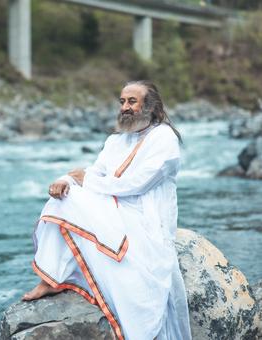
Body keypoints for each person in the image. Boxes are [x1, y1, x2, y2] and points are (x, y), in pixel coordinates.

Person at [22, 80, 192, 340]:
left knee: (73, 198)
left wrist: (84, 181)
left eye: (132, 101)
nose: (125, 107)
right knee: (62, 198)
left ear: (152, 106)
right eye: (122, 101)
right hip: (114, 209)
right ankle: (51, 280)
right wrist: (65, 181)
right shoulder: (116, 141)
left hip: (146, 222)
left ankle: (56, 278)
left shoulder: (164, 139)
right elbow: (94, 172)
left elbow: (137, 184)